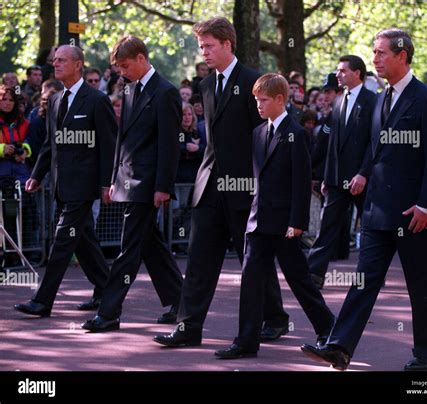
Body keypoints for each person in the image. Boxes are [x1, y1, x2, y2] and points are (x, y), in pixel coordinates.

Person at [301, 28, 427, 371]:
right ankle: (339, 347)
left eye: (382, 53)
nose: (375, 59)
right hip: (377, 211)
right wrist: (365, 173)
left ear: (402, 55)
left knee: (420, 284)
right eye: (374, 52)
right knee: (362, 282)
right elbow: (375, 147)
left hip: (413, 212)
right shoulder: (380, 98)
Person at [154, 17, 289, 348]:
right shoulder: (206, 85)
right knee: (199, 257)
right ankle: (189, 327)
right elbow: (213, 140)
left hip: (245, 187)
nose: (204, 52)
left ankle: (275, 318)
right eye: (201, 46)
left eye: (209, 46)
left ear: (228, 44)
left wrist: (263, 184)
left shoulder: (255, 80)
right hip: (209, 184)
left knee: (252, 258)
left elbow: (270, 135)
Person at [215, 73, 334, 359]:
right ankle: (246, 341)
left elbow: (300, 182)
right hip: (259, 221)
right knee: (251, 280)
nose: (258, 105)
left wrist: (297, 223)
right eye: (256, 100)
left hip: (284, 225)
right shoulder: (257, 133)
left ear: (281, 100)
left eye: (264, 100)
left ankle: (330, 330)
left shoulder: (297, 133)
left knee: (299, 280)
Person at [82, 35, 184, 332]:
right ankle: (181, 302)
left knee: (128, 250)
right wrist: (114, 179)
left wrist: (163, 186)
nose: (122, 72)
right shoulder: (128, 90)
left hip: (148, 183)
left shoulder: (166, 93)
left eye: (125, 66)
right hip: (128, 180)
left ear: (142, 58)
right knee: (151, 247)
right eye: (119, 68)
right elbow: (120, 140)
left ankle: (109, 311)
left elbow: (169, 145)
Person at [14, 45, 117, 317]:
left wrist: (107, 183)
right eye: (54, 61)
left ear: (78, 65)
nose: (55, 65)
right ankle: (107, 288)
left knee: (62, 240)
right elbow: (51, 144)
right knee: (84, 242)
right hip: (61, 185)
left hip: (83, 187)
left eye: (61, 61)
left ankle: (42, 300)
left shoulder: (97, 100)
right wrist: (37, 174)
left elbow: (109, 147)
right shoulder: (57, 100)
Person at [307, 55, 376, 289]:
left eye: (343, 71)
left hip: (361, 179)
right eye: (338, 71)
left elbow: (374, 143)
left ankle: (371, 274)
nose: (338, 74)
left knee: (370, 228)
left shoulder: (372, 101)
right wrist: (327, 177)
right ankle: (314, 274)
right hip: (337, 179)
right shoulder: (338, 102)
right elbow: (332, 145)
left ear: (357, 73)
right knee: (327, 225)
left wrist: (364, 173)